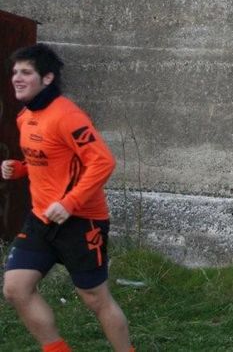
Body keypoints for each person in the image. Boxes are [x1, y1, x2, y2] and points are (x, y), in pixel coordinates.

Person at [2, 44, 134, 352]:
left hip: (82, 221)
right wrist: (20, 168)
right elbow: (50, 159)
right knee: (16, 288)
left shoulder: (67, 116)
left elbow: (102, 161)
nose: (17, 78)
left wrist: (69, 203)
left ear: (47, 78)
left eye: (26, 72)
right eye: (15, 72)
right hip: (41, 219)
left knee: (94, 298)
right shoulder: (25, 116)